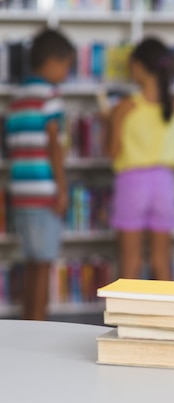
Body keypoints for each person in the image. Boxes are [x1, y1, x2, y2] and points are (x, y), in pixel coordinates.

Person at [4, 28, 75, 320]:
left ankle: (27, 324)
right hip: (45, 195)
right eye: (67, 66)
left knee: (31, 265)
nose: (66, 74)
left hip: (20, 196)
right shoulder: (50, 97)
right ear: (53, 62)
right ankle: (39, 325)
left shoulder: (16, 101)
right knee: (44, 267)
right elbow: (54, 148)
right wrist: (62, 189)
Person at [108, 37, 174, 281]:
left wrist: (106, 122)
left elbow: (112, 151)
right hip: (164, 182)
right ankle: (167, 318)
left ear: (139, 66)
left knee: (131, 261)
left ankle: (126, 320)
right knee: (161, 261)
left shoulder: (125, 107)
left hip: (132, 182)